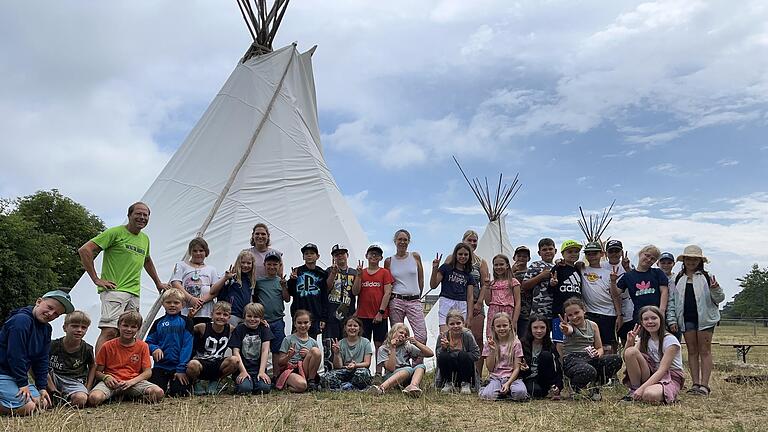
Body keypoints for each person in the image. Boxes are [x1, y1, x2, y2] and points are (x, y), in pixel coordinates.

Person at [78, 202, 168, 356]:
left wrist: (158, 282)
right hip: (115, 290)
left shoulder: (144, 239)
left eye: (145, 215)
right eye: (138, 214)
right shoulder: (115, 233)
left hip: (134, 293)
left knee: (127, 334)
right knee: (110, 331)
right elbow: (85, 249)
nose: (142, 217)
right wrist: (96, 279)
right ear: (129, 215)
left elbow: (147, 260)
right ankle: (99, 371)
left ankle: (118, 369)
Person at [0, 290, 74, 416]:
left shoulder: (46, 329)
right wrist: (23, 384)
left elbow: (42, 359)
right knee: (29, 407)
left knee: (42, 402)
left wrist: (42, 387)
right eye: (50, 307)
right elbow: (15, 355)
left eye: (56, 314)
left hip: (14, 376)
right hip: (3, 373)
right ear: (39, 301)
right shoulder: (21, 321)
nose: (51, 314)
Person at [669, 245, 724, 396]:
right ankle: (695, 384)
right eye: (688, 258)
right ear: (684, 260)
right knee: (692, 351)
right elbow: (672, 301)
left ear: (700, 261)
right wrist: (672, 319)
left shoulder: (707, 277)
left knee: (705, 351)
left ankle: (705, 386)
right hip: (686, 319)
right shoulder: (677, 278)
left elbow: (719, 298)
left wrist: (715, 289)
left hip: (705, 319)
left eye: (695, 259)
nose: (691, 261)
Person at [88, 311, 164, 406]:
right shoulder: (107, 346)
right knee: (94, 398)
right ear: (119, 326)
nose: (128, 329)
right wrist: (106, 377)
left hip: (133, 382)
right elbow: (98, 371)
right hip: (112, 382)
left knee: (158, 393)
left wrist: (132, 382)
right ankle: (116, 395)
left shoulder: (143, 346)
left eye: (133, 327)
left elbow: (148, 372)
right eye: (125, 325)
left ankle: (133, 397)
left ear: (138, 329)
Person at [560, 298, 622, 401]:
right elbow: (568, 331)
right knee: (588, 370)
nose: (574, 317)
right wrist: (565, 328)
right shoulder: (568, 326)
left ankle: (595, 386)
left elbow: (599, 347)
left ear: (584, 310)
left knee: (616, 359)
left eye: (576, 312)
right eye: (570, 315)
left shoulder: (593, 325)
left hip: (590, 357)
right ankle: (575, 387)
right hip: (573, 359)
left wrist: (597, 353)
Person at [445, 230, 490, 374]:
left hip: (476, 302)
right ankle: (456, 372)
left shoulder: (481, 262)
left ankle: (476, 373)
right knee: (454, 337)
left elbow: (484, 283)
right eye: (469, 240)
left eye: (474, 240)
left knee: (476, 337)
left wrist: (479, 302)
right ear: (463, 241)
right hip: (456, 302)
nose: (472, 243)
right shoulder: (453, 259)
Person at [622, 306, 684, 403]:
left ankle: (653, 391)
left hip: (669, 376)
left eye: (654, 318)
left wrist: (643, 389)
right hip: (651, 373)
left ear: (661, 320)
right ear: (642, 323)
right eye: (646, 319)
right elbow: (628, 358)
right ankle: (634, 390)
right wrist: (629, 342)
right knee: (630, 351)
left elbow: (662, 370)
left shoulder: (670, 341)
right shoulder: (644, 339)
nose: (650, 322)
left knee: (649, 395)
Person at [353, 244, 394, 377]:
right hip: (363, 315)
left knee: (379, 345)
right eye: (371, 254)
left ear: (381, 257)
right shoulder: (361, 272)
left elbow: (387, 293)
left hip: (379, 316)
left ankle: (378, 373)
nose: (374, 256)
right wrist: (359, 276)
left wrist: (381, 312)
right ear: (366, 256)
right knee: (363, 345)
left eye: (376, 254)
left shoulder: (384, 273)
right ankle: (362, 372)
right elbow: (355, 291)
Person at [145, 288, 194, 397]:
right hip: (160, 367)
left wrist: (181, 369)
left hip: (179, 367)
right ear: (163, 304)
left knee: (180, 394)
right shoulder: (158, 323)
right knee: (155, 393)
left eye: (176, 302)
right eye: (168, 302)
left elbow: (187, 346)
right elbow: (147, 343)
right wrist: (154, 348)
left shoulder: (187, 322)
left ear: (183, 304)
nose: (172, 305)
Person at [186, 302, 240, 395]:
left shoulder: (230, 329)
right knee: (192, 364)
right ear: (212, 314)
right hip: (201, 362)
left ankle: (216, 381)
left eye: (225, 315)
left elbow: (244, 330)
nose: (221, 317)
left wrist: (260, 322)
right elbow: (186, 330)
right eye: (218, 313)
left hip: (218, 363)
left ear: (229, 317)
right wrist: (189, 317)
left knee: (234, 360)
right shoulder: (202, 327)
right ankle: (197, 382)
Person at [384, 229, 427, 347]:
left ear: (409, 242)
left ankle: (418, 363)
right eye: (400, 239)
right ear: (395, 241)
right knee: (397, 335)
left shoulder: (415, 257)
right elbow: (388, 283)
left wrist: (418, 295)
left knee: (421, 335)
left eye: (405, 240)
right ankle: (399, 363)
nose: (402, 242)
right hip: (396, 300)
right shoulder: (389, 261)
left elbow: (421, 279)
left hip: (414, 300)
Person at [368, 323, 433, 397]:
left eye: (405, 335)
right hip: (391, 377)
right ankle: (381, 388)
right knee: (407, 369)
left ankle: (413, 386)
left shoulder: (407, 346)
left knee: (421, 366)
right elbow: (390, 368)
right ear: (393, 332)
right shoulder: (383, 349)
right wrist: (393, 348)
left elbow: (430, 354)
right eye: (401, 332)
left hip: (407, 375)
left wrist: (417, 343)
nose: (403, 335)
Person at [47, 310, 95, 408]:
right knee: (43, 402)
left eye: (83, 327)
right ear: (65, 328)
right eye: (74, 326)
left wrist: (88, 387)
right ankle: (52, 396)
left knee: (81, 399)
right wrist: (51, 387)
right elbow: (41, 365)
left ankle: (64, 401)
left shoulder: (87, 349)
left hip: (75, 380)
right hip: (53, 378)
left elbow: (93, 366)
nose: (79, 330)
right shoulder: (52, 345)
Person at [611, 245, 668, 327]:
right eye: (647, 255)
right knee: (641, 339)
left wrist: (662, 311)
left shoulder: (657, 272)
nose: (649, 260)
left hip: (656, 315)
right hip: (639, 316)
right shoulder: (628, 276)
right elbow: (616, 293)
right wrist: (613, 282)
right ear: (640, 254)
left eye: (653, 259)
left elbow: (664, 291)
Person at [581, 241, 621, 355]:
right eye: (589, 254)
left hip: (608, 313)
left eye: (595, 253)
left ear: (602, 254)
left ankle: (609, 370)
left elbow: (615, 295)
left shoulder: (609, 273)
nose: (592, 256)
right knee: (591, 344)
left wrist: (619, 315)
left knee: (609, 344)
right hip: (590, 313)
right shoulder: (582, 269)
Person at [253, 251, 290, 377]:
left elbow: (287, 299)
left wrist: (284, 287)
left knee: (277, 350)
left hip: (278, 320)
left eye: (275, 264)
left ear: (279, 265)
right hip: (263, 321)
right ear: (264, 265)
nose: (272, 267)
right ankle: (258, 374)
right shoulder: (259, 282)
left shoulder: (281, 281)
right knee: (259, 349)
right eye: (269, 264)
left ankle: (276, 376)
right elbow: (255, 298)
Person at [324, 244, 359, 371]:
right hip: (331, 315)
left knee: (346, 345)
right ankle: (329, 372)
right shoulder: (328, 270)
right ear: (333, 257)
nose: (340, 256)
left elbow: (356, 292)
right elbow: (326, 288)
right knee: (330, 344)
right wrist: (333, 273)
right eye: (336, 254)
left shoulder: (354, 272)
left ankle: (346, 371)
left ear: (347, 255)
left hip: (348, 315)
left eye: (342, 254)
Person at [479, 312, 527, 401]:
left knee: (520, 393)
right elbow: (490, 368)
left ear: (510, 326)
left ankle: (506, 390)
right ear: (493, 328)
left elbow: (517, 368)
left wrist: (508, 383)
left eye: (505, 325)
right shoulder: (489, 344)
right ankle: (488, 388)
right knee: (487, 396)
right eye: (498, 326)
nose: (502, 328)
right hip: (496, 377)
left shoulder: (516, 343)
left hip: (512, 377)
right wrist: (493, 350)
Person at [170, 237, 220, 325]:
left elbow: (215, 290)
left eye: (201, 251)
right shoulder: (181, 265)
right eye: (195, 251)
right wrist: (191, 299)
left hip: (205, 313)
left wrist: (201, 301)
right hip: (185, 311)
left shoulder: (212, 269)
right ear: (190, 252)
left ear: (206, 252)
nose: (198, 253)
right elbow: (175, 283)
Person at [430, 243, 476, 334]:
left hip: (462, 303)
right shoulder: (446, 268)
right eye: (460, 254)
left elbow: (470, 297)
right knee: (445, 333)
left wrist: (469, 317)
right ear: (455, 255)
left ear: (469, 256)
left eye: (466, 254)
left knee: (460, 334)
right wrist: (435, 269)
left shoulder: (469, 275)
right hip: (446, 301)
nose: (463, 256)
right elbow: (433, 285)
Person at [229, 303, 274, 395]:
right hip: (243, 368)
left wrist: (262, 372)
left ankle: (254, 383)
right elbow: (235, 351)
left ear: (261, 318)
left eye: (256, 316)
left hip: (258, 369)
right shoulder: (239, 329)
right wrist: (243, 371)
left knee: (264, 389)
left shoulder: (264, 329)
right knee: (245, 389)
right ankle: (243, 384)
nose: (252, 319)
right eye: (249, 316)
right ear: (244, 316)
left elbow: (265, 351)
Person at [320, 316, 373, 390]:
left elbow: (367, 363)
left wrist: (355, 365)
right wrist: (336, 353)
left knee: (362, 374)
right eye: (349, 325)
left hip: (359, 369)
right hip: (345, 370)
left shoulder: (365, 342)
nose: (352, 328)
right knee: (326, 377)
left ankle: (345, 386)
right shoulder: (341, 342)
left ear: (359, 328)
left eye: (355, 326)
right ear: (345, 328)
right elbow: (338, 366)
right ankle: (349, 386)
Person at [287, 243, 328, 340]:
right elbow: (291, 293)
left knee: (311, 344)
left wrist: (323, 318)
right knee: (296, 344)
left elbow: (324, 297)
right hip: (298, 313)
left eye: (312, 253)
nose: (309, 255)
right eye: (306, 253)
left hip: (315, 314)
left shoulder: (322, 273)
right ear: (303, 256)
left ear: (317, 256)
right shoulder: (297, 271)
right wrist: (292, 280)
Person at [549, 240, 584, 349]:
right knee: (560, 342)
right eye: (569, 252)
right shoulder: (558, 268)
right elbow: (550, 288)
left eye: (576, 251)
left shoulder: (578, 270)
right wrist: (552, 283)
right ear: (563, 254)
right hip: (560, 311)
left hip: (577, 312)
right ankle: (560, 365)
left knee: (577, 341)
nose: (573, 254)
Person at [436, 310, 480, 394]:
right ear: (447, 325)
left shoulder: (467, 335)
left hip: (465, 368)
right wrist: (444, 348)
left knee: (463, 354)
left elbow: (476, 355)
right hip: (449, 369)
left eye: (458, 323)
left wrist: (461, 354)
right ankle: (448, 383)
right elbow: (438, 357)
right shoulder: (442, 336)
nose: (455, 326)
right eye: (452, 324)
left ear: (463, 323)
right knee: (443, 355)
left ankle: (466, 384)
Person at [277, 310, 322, 393]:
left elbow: (316, 364)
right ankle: (287, 385)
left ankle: (311, 381)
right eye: (299, 323)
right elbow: (280, 363)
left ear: (310, 323)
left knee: (315, 351)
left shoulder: (313, 342)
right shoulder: (288, 339)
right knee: (302, 385)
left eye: (305, 322)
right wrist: (289, 356)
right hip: (291, 370)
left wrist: (308, 355)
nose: (303, 325)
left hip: (305, 370)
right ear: (295, 324)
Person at [521, 315, 563, 400]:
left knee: (546, 355)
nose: (539, 331)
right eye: (535, 328)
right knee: (535, 392)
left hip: (543, 378)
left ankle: (551, 389)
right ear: (530, 329)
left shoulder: (550, 345)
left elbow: (557, 367)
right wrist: (522, 369)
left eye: (542, 327)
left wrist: (558, 386)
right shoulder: (522, 344)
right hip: (528, 377)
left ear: (547, 328)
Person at [210, 250, 256, 326]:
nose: (245, 265)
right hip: (231, 314)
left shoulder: (251, 280)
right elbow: (213, 290)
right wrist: (226, 278)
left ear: (252, 265)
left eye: (248, 263)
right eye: (243, 262)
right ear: (238, 262)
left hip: (244, 316)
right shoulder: (231, 276)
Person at [485, 254, 521, 342]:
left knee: (508, 339)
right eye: (496, 265)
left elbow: (518, 302)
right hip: (493, 312)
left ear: (507, 265)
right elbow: (487, 302)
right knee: (492, 338)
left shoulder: (513, 282)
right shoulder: (492, 283)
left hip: (508, 312)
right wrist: (486, 287)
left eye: (501, 264)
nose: (498, 267)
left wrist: (514, 321)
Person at [604, 239, 632, 345]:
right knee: (611, 343)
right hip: (609, 309)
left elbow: (634, 283)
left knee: (628, 342)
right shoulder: (601, 266)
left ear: (621, 252)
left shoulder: (628, 266)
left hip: (627, 309)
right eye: (611, 251)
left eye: (617, 251)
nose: (614, 254)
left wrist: (627, 268)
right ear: (606, 253)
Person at [522, 238, 557, 322]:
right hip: (538, 313)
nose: (548, 251)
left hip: (555, 312)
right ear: (539, 253)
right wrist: (541, 276)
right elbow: (524, 285)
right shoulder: (535, 265)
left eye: (550, 249)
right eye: (544, 250)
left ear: (555, 251)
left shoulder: (558, 267)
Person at [657, 252, 680, 338]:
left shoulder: (677, 279)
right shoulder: (654, 278)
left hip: (674, 317)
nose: (666, 265)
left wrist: (671, 319)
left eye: (669, 263)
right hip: (655, 315)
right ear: (658, 263)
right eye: (663, 263)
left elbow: (672, 300)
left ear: (673, 264)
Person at [511, 246, 532, 337]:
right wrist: (511, 271)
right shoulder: (508, 273)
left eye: (524, 256)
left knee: (524, 339)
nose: (521, 258)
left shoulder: (531, 273)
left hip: (527, 312)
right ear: (514, 257)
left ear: (529, 258)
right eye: (519, 256)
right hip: (511, 311)